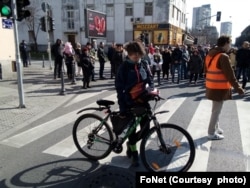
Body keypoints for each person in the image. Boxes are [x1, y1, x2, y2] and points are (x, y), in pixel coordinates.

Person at [115, 41, 156, 167]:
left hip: (143, 100)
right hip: (129, 102)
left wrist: (152, 90)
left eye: (138, 54)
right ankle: (134, 153)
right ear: (129, 53)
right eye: (133, 54)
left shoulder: (143, 63)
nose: (136, 57)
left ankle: (129, 143)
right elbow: (119, 88)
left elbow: (150, 80)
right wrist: (122, 107)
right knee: (131, 130)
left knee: (145, 130)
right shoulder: (124, 67)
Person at [204, 35, 245, 140]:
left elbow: (205, 70)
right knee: (216, 111)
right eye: (230, 43)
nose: (230, 46)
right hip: (219, 88)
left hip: (211, 86)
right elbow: (230, 75)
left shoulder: (211, 54)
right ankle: (211, 132)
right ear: (226, 43)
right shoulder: (223, 56)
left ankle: (216, 127)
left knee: (215, 109)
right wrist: (239, 88)